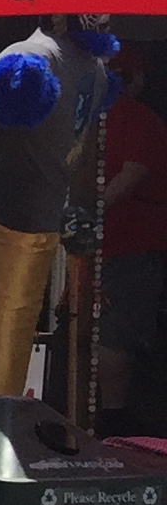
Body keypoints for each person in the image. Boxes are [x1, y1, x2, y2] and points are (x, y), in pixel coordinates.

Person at [97, 50, 167, 424]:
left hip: (109, 246)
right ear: (135, 78)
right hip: (127, 248)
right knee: (116, 338)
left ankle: (105, 421)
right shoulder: (141, 119)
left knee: (107, 336)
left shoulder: (82, 116)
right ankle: (112, 425)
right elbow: (130, 176)